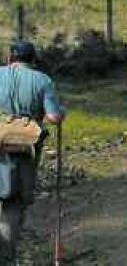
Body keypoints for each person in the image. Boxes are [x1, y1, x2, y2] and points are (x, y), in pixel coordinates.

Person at [0, 41, 65, 260]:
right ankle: (7, 255)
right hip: (24, 148)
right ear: (33, 60)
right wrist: (60, 112)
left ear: (9, 59)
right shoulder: (42, 80)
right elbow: (54, 117)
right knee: (14, 202)